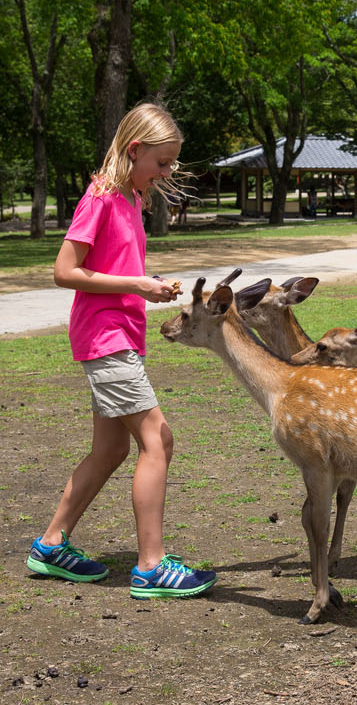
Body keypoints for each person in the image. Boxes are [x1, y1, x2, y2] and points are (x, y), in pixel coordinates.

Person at [28, 102, 217, 600]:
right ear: (134, 150)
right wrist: (136, 283)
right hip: (104, 338)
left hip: (120, 335)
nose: (167, 172)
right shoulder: (102, 196)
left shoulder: (131, 198)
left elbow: (112, 270)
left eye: (172, 163)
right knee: (159, 441)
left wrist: (146, 287)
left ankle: (50, 546)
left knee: (111, 448)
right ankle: (151, 566)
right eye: (161, 162)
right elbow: (65, 271)